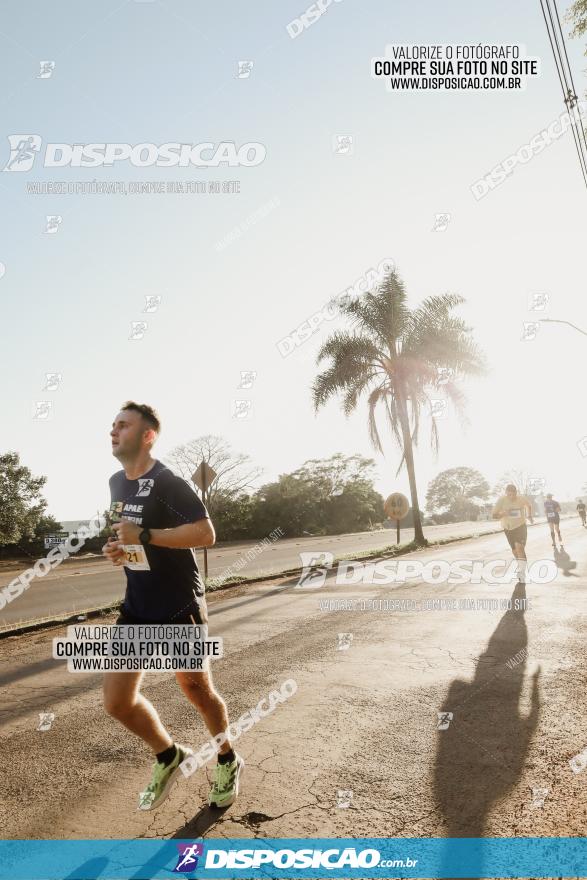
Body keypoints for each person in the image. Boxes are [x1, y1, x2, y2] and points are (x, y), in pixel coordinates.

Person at [102, 401, 243, 811]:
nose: (114, 431)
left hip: (179, 604)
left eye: (123, 426)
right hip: (137, 606)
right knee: (117, 702)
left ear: (148, 436)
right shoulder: (116, 482)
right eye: (112, 425)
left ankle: (227, 758)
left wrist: (144, 535)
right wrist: (115, 547)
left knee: (197, 690)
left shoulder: (168, 483)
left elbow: (205, 533)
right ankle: (169, 754)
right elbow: (119, 530)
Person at [492, 484, 534, 585]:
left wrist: (529, 515)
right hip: (508, 528)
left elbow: (529, 505)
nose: (512, 497)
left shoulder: (521, 499)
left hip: (520, 526)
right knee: (514, 551)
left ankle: (522, 572)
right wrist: (503, 514)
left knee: (520, 548)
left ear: (516, 492)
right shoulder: (501, 500)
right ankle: (520, 565)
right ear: (506, 493)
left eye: (513, 494)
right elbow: (494, 515)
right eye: (509, 494)